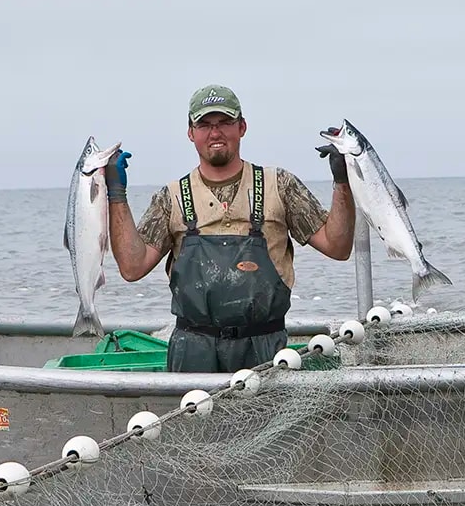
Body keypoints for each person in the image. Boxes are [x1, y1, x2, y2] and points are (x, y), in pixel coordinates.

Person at [106, 85, 356, 372]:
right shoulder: (171, 197)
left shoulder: (280, 185)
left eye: (225, 122)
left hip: (266, 351)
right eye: (204, 124)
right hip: (192, 352)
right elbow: (132, 267)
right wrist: (116, 195)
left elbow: (337, 247)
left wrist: (342, 181)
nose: (215, 132)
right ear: (191, 132)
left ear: (242, 127)